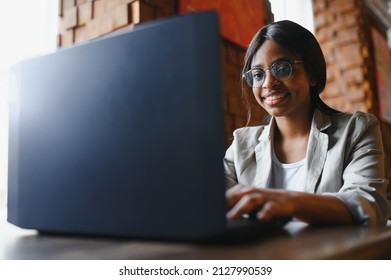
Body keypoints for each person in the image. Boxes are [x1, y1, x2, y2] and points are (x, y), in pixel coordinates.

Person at [224, 20, 390, 226]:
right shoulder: (242, 143)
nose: (268, 83)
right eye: (258, 74)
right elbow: (212, 193)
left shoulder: (357, 129)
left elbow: (369, 204)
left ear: (311, 74)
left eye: (282, 69)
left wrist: (291, 202)